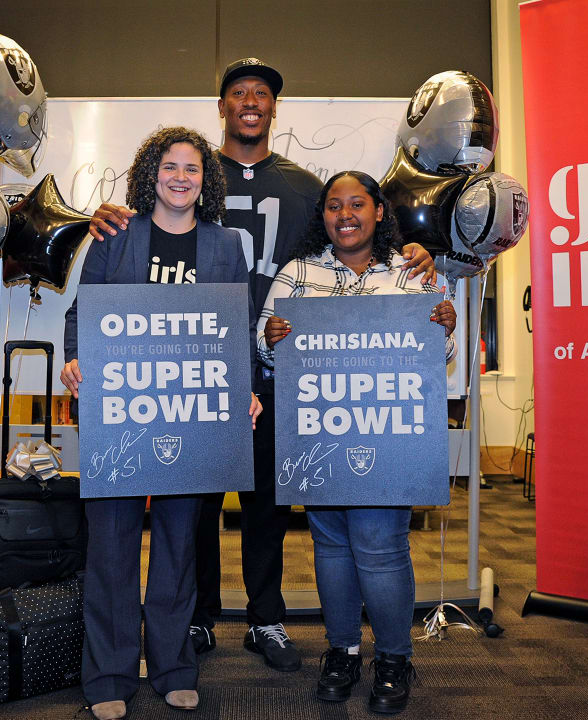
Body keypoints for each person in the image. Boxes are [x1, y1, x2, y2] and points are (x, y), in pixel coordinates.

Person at [88, 58, 436, 672]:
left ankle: (266, 617)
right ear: (222, 106)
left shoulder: (305, 185)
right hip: (193, 363)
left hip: (280, 370)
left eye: (262, 94)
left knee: (268, 504)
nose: (251, 101)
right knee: (189, 500)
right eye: (238, 93)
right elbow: (142, 244)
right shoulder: (185, 174)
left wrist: (410, 250)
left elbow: (346, 241)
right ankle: (196, 617)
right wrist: (108, 218)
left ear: (274, 108)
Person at [61, 126, 262, 720]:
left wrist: (243, 391)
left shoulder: (226, 245)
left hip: (191, 416)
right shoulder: (117, 235)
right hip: (119, 413)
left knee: (178, 548)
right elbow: (81, 310)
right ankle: (108, 677)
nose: (181, 177)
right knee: (112, 548)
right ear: (152, 174)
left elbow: (238, 328)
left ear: (207, 180)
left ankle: (174, 666)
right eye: (170, 166)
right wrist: (74, 359)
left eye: (193, 169)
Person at [258, 170, 456, 715]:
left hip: (385, 438)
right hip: (320, 435)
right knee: (331, 546)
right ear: (322, 216)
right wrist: (271, 337)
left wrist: (445, 322)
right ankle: (343, 650)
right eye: (333, 206)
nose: (345, 215)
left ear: (378, 212)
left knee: (379, 544)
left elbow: (435, 355)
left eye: (357, 204)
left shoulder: (410, 270)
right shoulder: (297, 273)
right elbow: (265, 344)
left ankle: (393, 657)